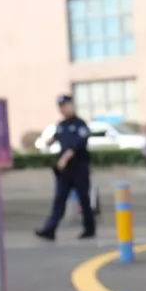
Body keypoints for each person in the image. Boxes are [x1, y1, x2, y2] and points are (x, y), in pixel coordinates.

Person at [35, 95, 95, 240]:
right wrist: (45, 143)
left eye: (67, 105)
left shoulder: (80, 124)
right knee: (59, 199)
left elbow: (78, 145)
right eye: (62, 106)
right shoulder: (61, 125)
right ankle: (50, 229)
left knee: (83, 199)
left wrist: (65, 158)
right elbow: (55, 138)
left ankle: (89, 228)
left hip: (79, 168)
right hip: (65, 171)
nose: (64, 109)